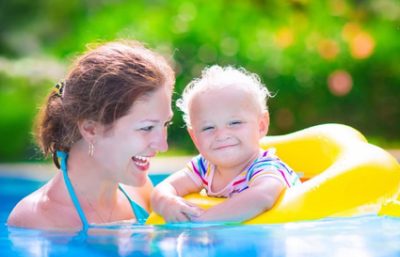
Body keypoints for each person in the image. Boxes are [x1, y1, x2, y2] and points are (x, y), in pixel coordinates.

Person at [7, 40, 175, 230]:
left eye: (166, 124)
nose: (163, 145)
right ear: (90, 129)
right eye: (147, 128)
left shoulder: (141, 193)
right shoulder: (37, 219)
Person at [151, 65, 300, 223]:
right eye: (208, 127)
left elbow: (262, 197)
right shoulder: (204, 167)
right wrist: (168, 203)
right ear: (194, 136)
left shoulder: (266, 167)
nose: (221, 135)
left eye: (235, 123)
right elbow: (162, 189)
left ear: (261, 125)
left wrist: (203, 221)